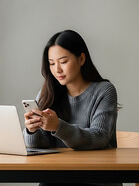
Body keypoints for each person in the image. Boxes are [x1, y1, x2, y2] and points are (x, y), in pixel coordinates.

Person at [23, 30, 120, 186]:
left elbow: (99, 138)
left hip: (97, 179)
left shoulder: (104, 91)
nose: (57, 70)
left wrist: (58, 126)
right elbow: (37, 146)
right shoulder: (47, 92)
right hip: (57, 177)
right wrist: (31, 130)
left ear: (81, 59)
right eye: (52, 63)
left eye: (63, 61)